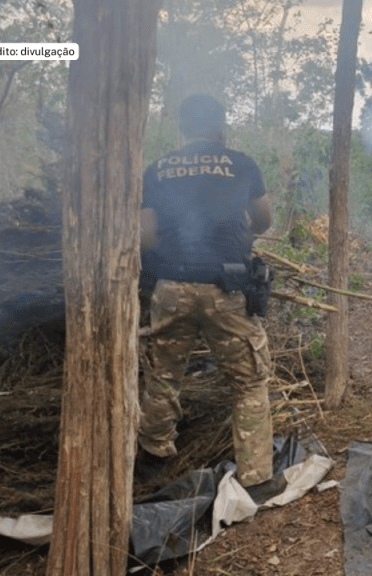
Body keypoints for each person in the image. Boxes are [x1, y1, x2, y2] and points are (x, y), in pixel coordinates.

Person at [139, 93, 275, 489]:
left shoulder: (157, 169)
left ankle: (153, 460)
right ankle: (257, 479)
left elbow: (145, 236)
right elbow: (263, 220)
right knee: (249, 381)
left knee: (163, 375)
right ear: (221, 128)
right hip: (226, 289)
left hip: (172, 288)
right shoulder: (242, 163)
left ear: (182, 129)